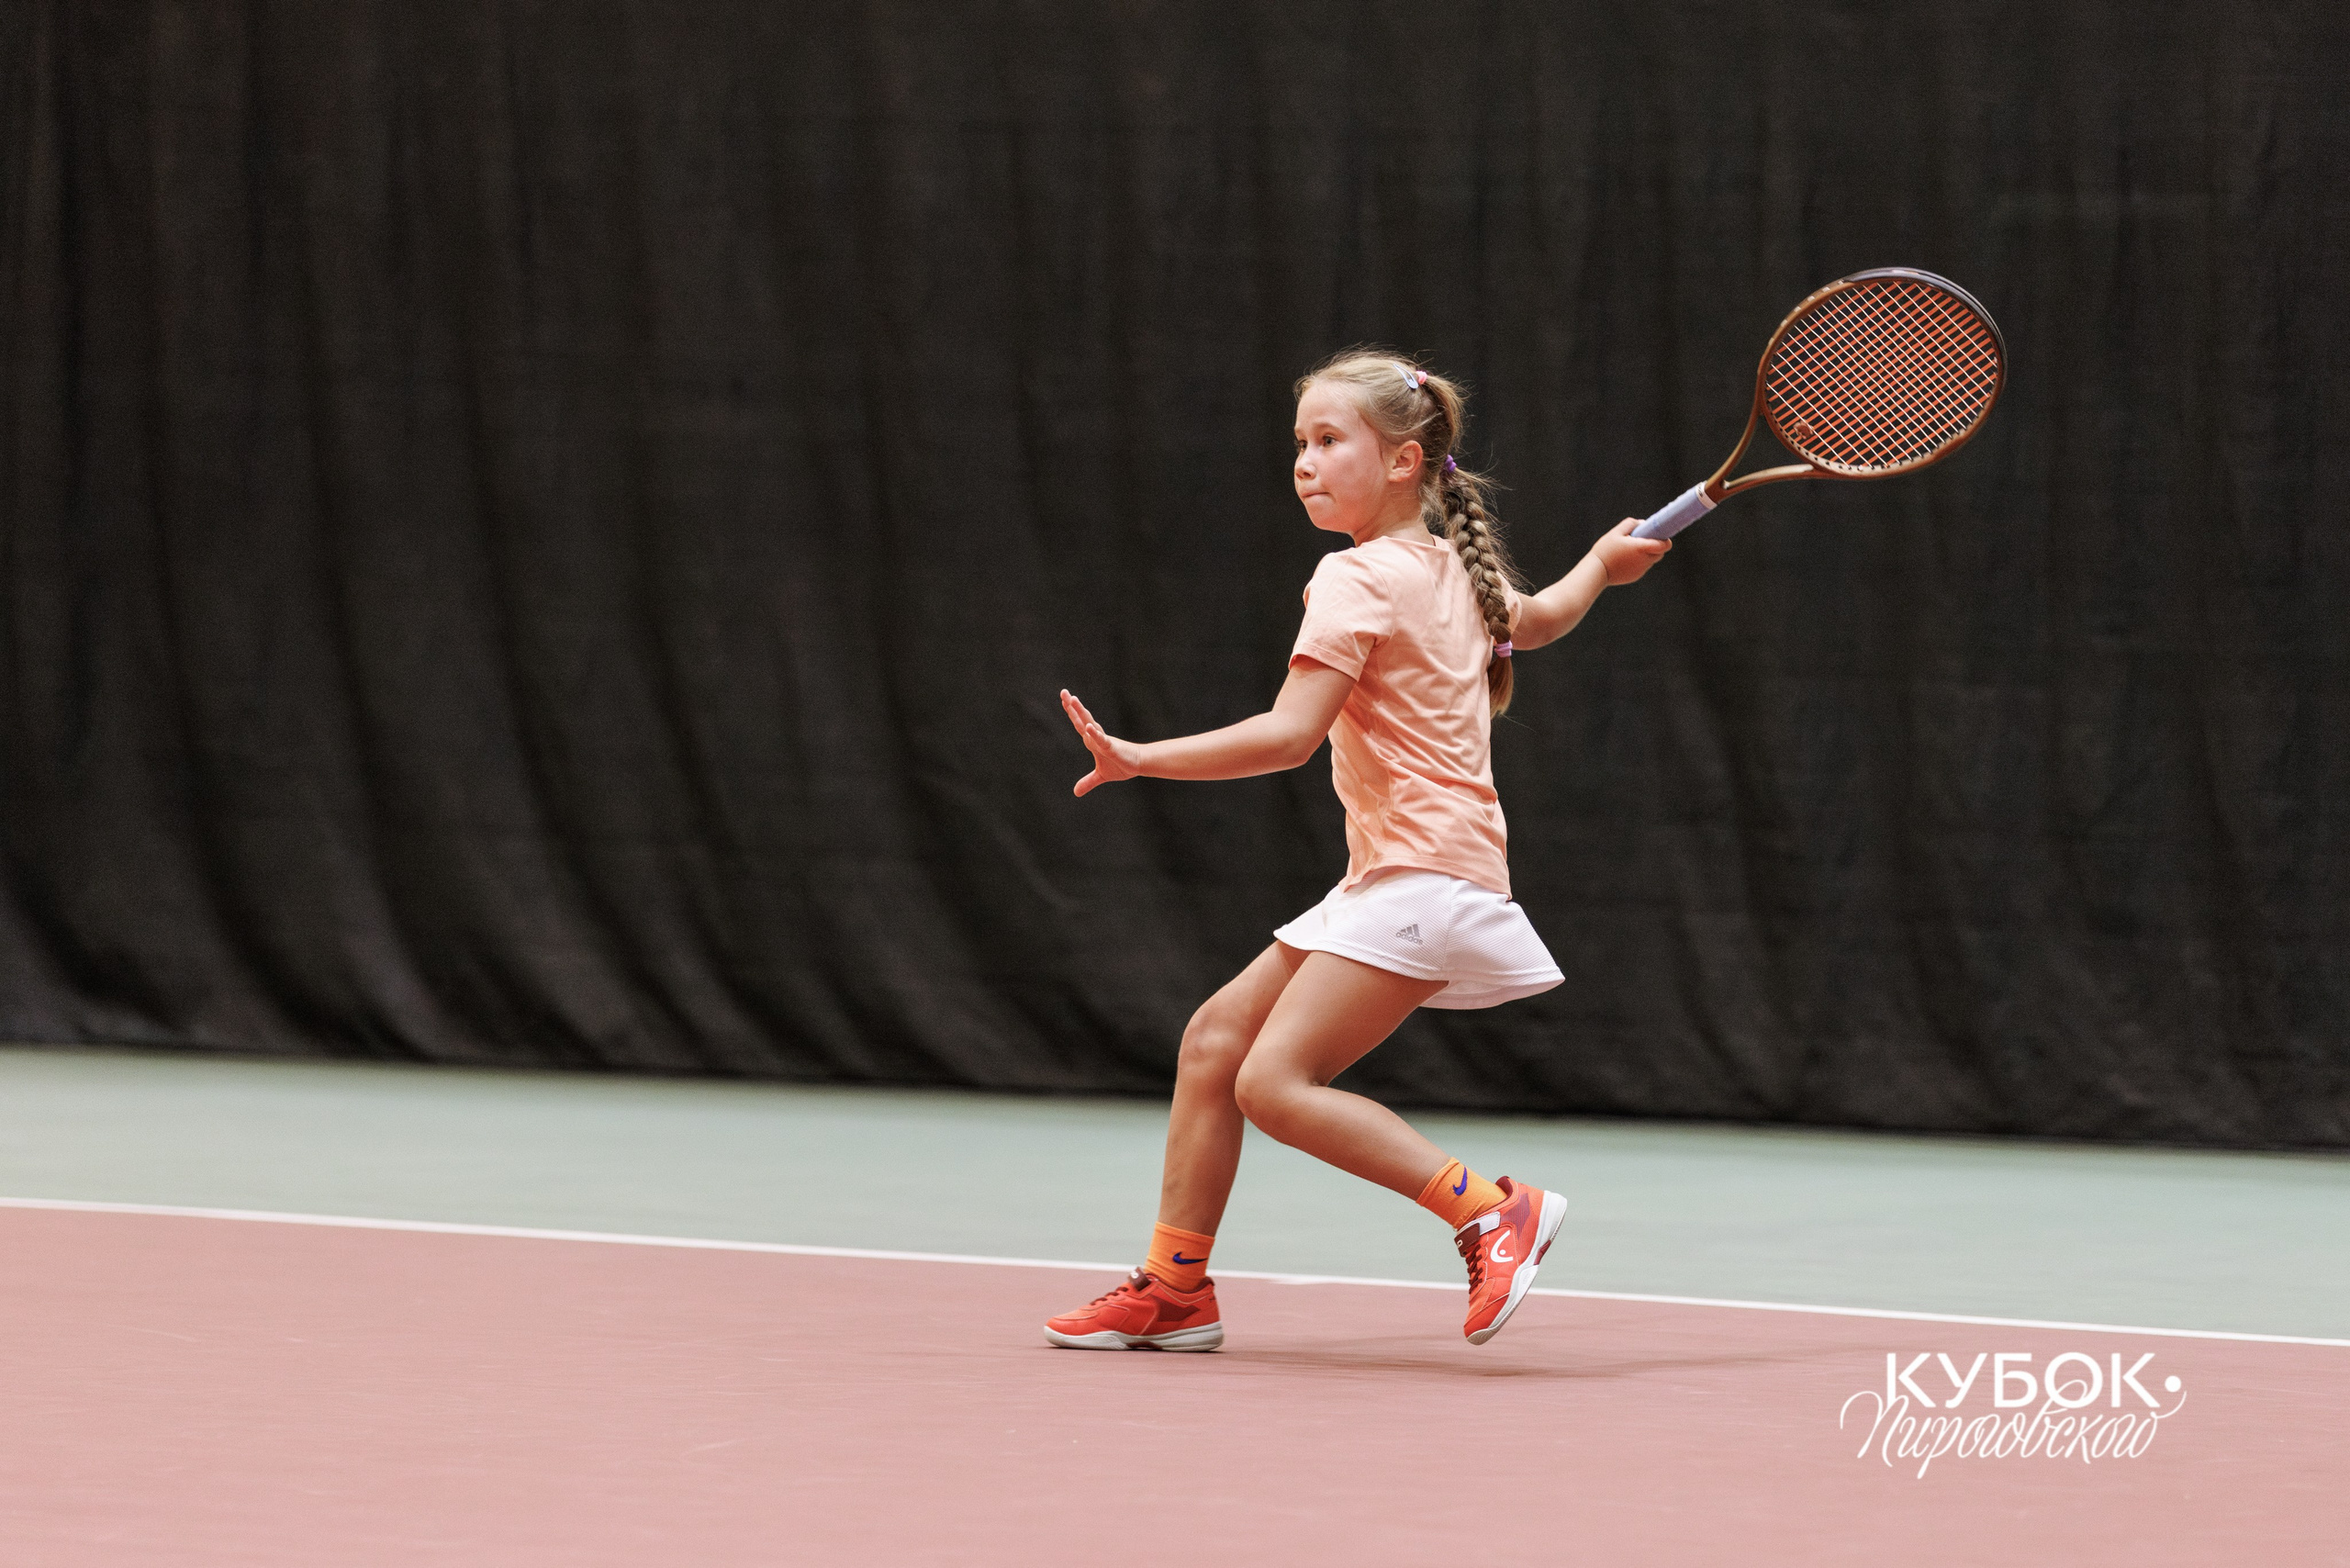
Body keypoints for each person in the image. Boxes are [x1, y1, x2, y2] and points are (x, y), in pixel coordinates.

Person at [1044, 351, 1670, 1351]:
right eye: (1299, 442)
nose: (1304, 461)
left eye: (1329, 440)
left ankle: (1486, 1211)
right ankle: (1174, 1287)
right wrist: (1601, 563)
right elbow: (1537, 619)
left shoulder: (1355, 576)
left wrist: (1137, 759)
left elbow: (1289, 736)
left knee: (1270, 1083)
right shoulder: (1450, 566)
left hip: (1421, 874)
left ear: (1403, 462)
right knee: (1214, 1045)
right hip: (1406, 871)